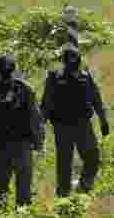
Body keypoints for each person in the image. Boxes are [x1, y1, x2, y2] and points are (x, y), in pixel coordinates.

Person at [0, 55, 44, 212]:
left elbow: (35, 117)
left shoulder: (21, 90)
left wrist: (38, 142)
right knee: (5, 188)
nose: (6, 75)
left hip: (17, 145)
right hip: (7, 146)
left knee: (14, 188)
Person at [41, 45, 110, 198]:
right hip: (62, 126)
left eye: (75, 60)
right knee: (64, 162)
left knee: (92, 157)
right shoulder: (54, 77)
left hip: (83, 125)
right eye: (70, 61)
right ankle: (63, 194)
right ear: (64, 62)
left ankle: (84, 186)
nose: (73, 64)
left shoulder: (85, 76)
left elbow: (96, 98)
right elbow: (46, 103)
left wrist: (103, 119)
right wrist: (40, 127)